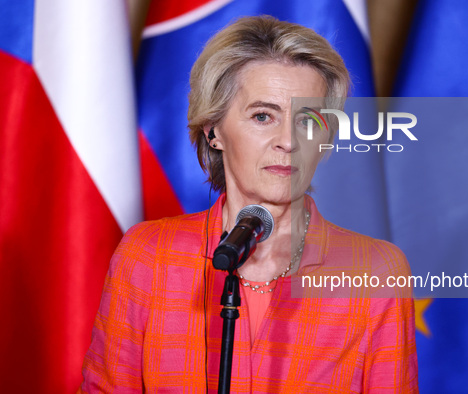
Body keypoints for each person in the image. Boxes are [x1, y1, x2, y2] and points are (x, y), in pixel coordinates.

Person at [79, 16, 418, 392]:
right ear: (214, 131)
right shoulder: (147, 257)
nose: (288, 141)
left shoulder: (374, 272)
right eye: (262, 116)